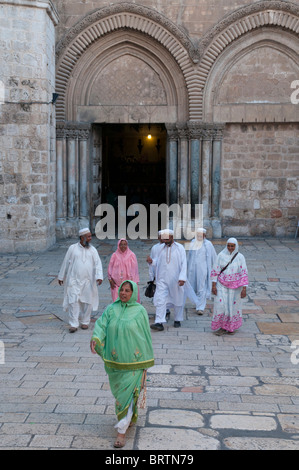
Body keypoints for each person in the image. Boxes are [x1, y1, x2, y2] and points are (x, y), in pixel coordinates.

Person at [90, 280, 154, 449]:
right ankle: (130, 418)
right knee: (121, 397)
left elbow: (146, 337)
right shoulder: (111, 309)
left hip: (134, 364)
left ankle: (121, 432)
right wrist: (96, 338)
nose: (123, 293)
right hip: (116, 364)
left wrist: (145, 360)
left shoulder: (140, 312)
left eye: (127, 290)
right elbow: (101, 326)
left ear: (133, 293)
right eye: (122, 290)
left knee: (128, 397)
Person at [58, 228, 103, 333]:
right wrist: (61, 276)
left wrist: (99, 276)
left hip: (88, 281)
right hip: (74, 280)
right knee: (73, 302)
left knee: (87, 302)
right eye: (88, 236)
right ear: (82, 237)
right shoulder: (72, 248)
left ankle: (85, 322)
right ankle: (73, 324)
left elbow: (98, 264)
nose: (90, 238)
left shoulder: (93, 250)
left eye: (91, 236)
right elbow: (65, 262)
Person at [147, 229, 187, 331]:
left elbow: (184, 264)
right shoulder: (160, 248)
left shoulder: (180, 248)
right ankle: (159, 322)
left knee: (178, 299)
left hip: (176, 279)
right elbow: (157, 261)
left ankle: (177, 319)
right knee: (160, 299)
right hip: (162, 278)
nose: (164, 240)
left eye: (166, 238)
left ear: (172, 237)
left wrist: (182, 278)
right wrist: (152, 261)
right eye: (163, 238)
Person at [210, 237, 248, 336]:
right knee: (221, 306)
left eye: (232, 246)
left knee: (232, 306)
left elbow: (244, 272)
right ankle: (222, 327)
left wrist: (244, 288)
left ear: (236, 246)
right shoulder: (221, 256)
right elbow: (215, 270)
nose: (230, 248)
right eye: (228, 245)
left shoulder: (240, 257)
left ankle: (231, 327)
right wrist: (213, 286)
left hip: (235, 287)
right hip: (221, 284)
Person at [187, 228, 217, 315]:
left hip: (203, 269)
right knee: (194, 287)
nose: (199, 237)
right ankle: (197, 303)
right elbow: (189, 256)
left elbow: (214, 257)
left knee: (202, 287)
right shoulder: (193, 243)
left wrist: (215, 269)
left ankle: (200, 307)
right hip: (192, 269)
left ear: (204, 236)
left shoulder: (208, 244)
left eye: (201, 235)